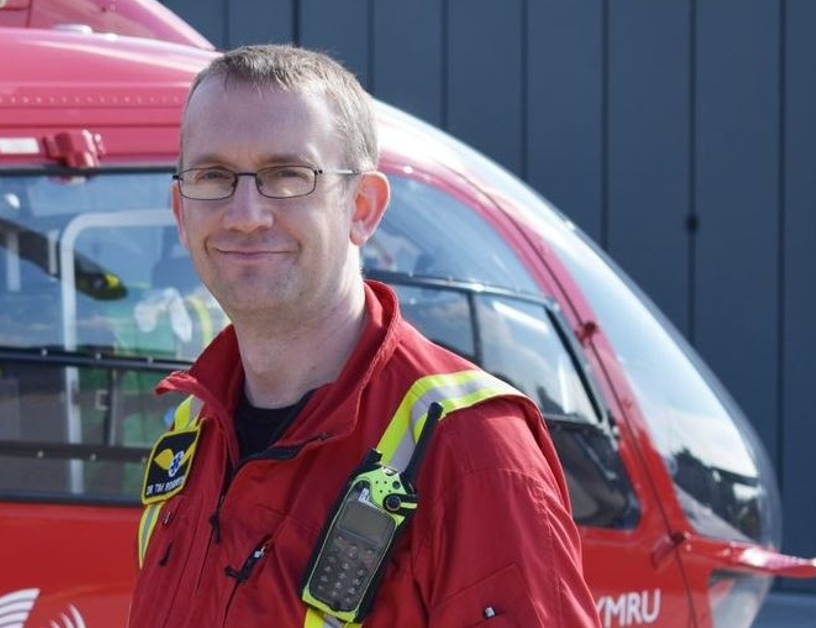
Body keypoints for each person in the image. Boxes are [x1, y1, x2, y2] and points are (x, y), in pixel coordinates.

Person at [129, 45, 599, 627]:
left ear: (363, 207)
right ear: (181, 210)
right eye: (214, 176)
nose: (245, 213)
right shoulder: (193, 435)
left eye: (287, 175)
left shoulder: (472, 451)